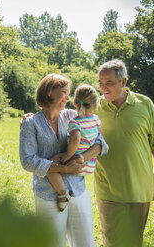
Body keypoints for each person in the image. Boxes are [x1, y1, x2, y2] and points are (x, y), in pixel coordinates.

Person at [94, 59, 154, 247]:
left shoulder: (144, 104)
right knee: (113, 242)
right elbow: (65, 116)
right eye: (100, 82)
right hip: (108, 189)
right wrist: (34, 118)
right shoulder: (94, 107)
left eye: (109, 83)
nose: (103, 88)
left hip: (139, 189)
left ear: (123, 82)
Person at [19, 74, 108, 247]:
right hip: (47, 194)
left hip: (78, 189)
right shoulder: (31, 123)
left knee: (86, 243)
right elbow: (27, 161)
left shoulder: (72, 116)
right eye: (64, 93)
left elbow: (100, 143)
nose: (68, 98)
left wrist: (81, 158)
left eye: (69, 93)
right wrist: (64, 168)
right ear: (49, 93)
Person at [47, 84, 105, 212]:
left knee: (49, 165)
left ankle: (62, 194)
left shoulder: (75, 122)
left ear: (74, 103)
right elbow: (99, 138)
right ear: (95, 106)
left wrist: (68, 155)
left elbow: (75, 139)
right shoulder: (96, 120)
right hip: (90, 164)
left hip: (75, 161)